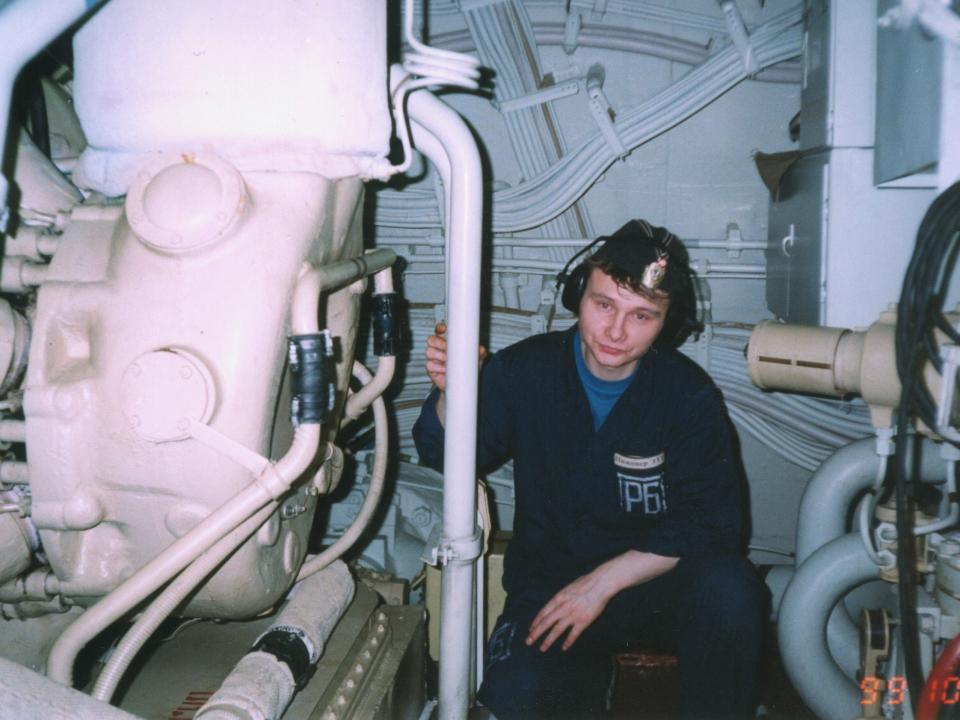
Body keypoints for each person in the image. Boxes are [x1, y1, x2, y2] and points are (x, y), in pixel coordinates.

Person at [413, 220, 764, 719]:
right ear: (578, 297)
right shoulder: (525, 371)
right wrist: (454, 391)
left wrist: (601, 583)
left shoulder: (687, 395)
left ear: (669, 322)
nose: (617, 331)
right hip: (553, 584)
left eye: (642, 315)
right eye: (604, 305)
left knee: (732, 590)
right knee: (517, 697)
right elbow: (443, 451)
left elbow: (714, 521)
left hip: (656, 589)